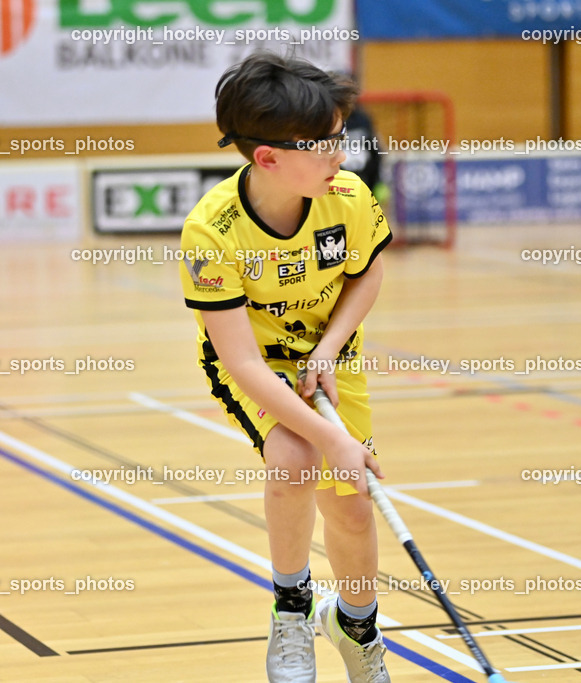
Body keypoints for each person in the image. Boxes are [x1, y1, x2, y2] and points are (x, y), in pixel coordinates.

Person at [177, 52, 393, 683]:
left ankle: (356, 628)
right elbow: (241, 361)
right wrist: (334, 440)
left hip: (330, 354)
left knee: (351, 509)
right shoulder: (210, 233)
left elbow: (368, 272)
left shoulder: (347, 198)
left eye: (340, 136)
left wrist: (328, 349)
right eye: (325, 144)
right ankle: (292, 613)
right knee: (296, 462)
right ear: (267, 156)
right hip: (255, 364)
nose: (342, 155)